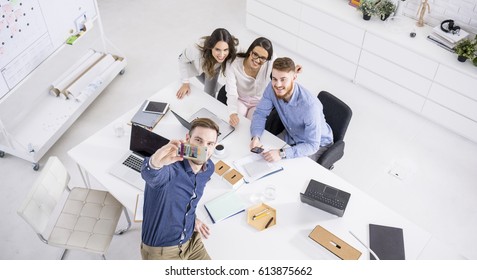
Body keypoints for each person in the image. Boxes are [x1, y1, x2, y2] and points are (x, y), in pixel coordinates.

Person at [140, 118, 219, 260]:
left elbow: (189, 199)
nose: (204, 148)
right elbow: (151, 174)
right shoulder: (169, 168)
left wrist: (192, 218)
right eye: (198, 140)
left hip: (191, 242)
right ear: (188, 139)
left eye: (210, 144)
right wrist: (155, 162)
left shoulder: (208, 168)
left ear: (215, 146)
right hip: (162, 252)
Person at [250, 57, 333, 162]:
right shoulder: (271, 88)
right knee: (262, 158)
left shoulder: (310, 107)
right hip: (291, 133)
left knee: (289, 171)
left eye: (283, 79)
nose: (278, 85)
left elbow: (312, 145)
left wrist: (282, 153)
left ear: (294, 77)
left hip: (317, 145)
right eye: (275, 79)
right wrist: (255, 137)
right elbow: (260, 113)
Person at [222, 37, 275, 127]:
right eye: (255, 54)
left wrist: (292, 70)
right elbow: (231, 91)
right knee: (237, 124)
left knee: (252, 126)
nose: (257, 60)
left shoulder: (269, 63)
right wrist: (233, 112)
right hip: (240, 99)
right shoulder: (233, 64)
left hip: (258, 102)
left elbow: (281, 66)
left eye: (262, 58)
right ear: (250, 51)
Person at [176, 28, 239, 99]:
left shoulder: (230, 51)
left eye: (225, 50)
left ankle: (222, 91)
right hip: (196, 67)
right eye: (217, 49)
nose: (222, 55)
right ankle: (222, 90)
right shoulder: (195, 49)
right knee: (210, 89)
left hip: (214, 67)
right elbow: (182, 60)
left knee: (209, 93)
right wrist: (185, 83)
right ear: (211, 46)